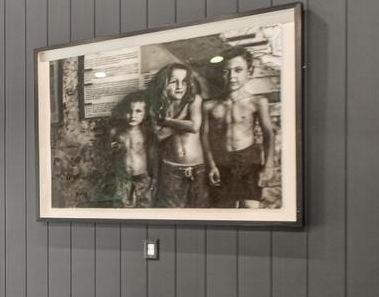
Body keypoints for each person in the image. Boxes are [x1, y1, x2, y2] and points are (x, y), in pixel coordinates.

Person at [204, 46, 274, 208]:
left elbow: (268, 133)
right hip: (222, 161)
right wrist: (211, 165)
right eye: (226, 71)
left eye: (238, 70)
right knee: (224, 208)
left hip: (248, 161)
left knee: (251, 208)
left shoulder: (257, 102)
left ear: (249, 72)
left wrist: (268, 165)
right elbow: (204, 137)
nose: (232, 76)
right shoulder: (209, 106)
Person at [148, 63, 212, 208]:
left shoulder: (194, 100)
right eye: (173, 81)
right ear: (163, 84)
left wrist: (167, 121)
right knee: (172, 211)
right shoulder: (156, 105)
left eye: (184, 81)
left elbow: (194, 127)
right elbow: (159, 136)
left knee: (200, 211)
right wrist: (184, 120)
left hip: (198, 168)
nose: (179, 86)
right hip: (171, 169)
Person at [110, 92, 154, 208]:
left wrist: (154, 177)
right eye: (129, 111)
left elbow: (153, 156)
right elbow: (111, 154)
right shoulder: (116, 132)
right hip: (123, 177)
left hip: (142, 176)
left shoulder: (146, 133)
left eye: (138, 111)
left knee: (144, 206)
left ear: (145, 114)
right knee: (122, 207)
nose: (132, 115)